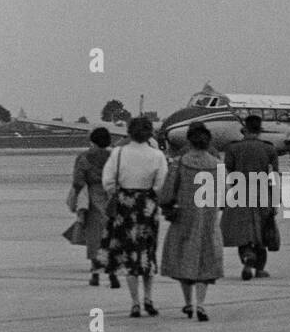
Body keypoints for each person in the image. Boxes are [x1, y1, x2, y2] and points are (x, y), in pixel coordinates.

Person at [99, 116, 168, 316]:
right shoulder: (157, 156)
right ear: (149, 133)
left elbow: (108, 181)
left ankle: (135, 302)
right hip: (147, 205)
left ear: (129, 132)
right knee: (147, 252)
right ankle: (149, 298)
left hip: (125, 205)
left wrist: (120, 193)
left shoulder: (118, 153)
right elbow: (161, 184)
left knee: (129, 254)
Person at [158, 122, 224, 319]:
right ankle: (201, 304)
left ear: (189, 140)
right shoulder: (218, 165)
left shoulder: (179, 163)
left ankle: (188, 303)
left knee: (184, 256)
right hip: (209, 217)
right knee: (206, 257)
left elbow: (168, 191)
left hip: (184, 216)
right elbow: (226, 194)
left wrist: (167, 204)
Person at [221, 114, 280, 280]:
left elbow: (228, 173)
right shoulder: (269, 148)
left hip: (239, 195)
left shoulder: (232, 149)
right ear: (259, 130)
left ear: (244, 129)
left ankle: (248, 257)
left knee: (244, 233)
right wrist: (275, 199)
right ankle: (260, 269)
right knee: (262, 232)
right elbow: (273, 175)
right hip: (262, 195)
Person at [72, 127, 116, 286]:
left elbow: (77, 181)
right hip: (111, 195)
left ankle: (95, 272)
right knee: (111, 235)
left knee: (93, 236)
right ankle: (112, 273)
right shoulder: (113, 157)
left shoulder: (83, 157)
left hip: (92, 196)